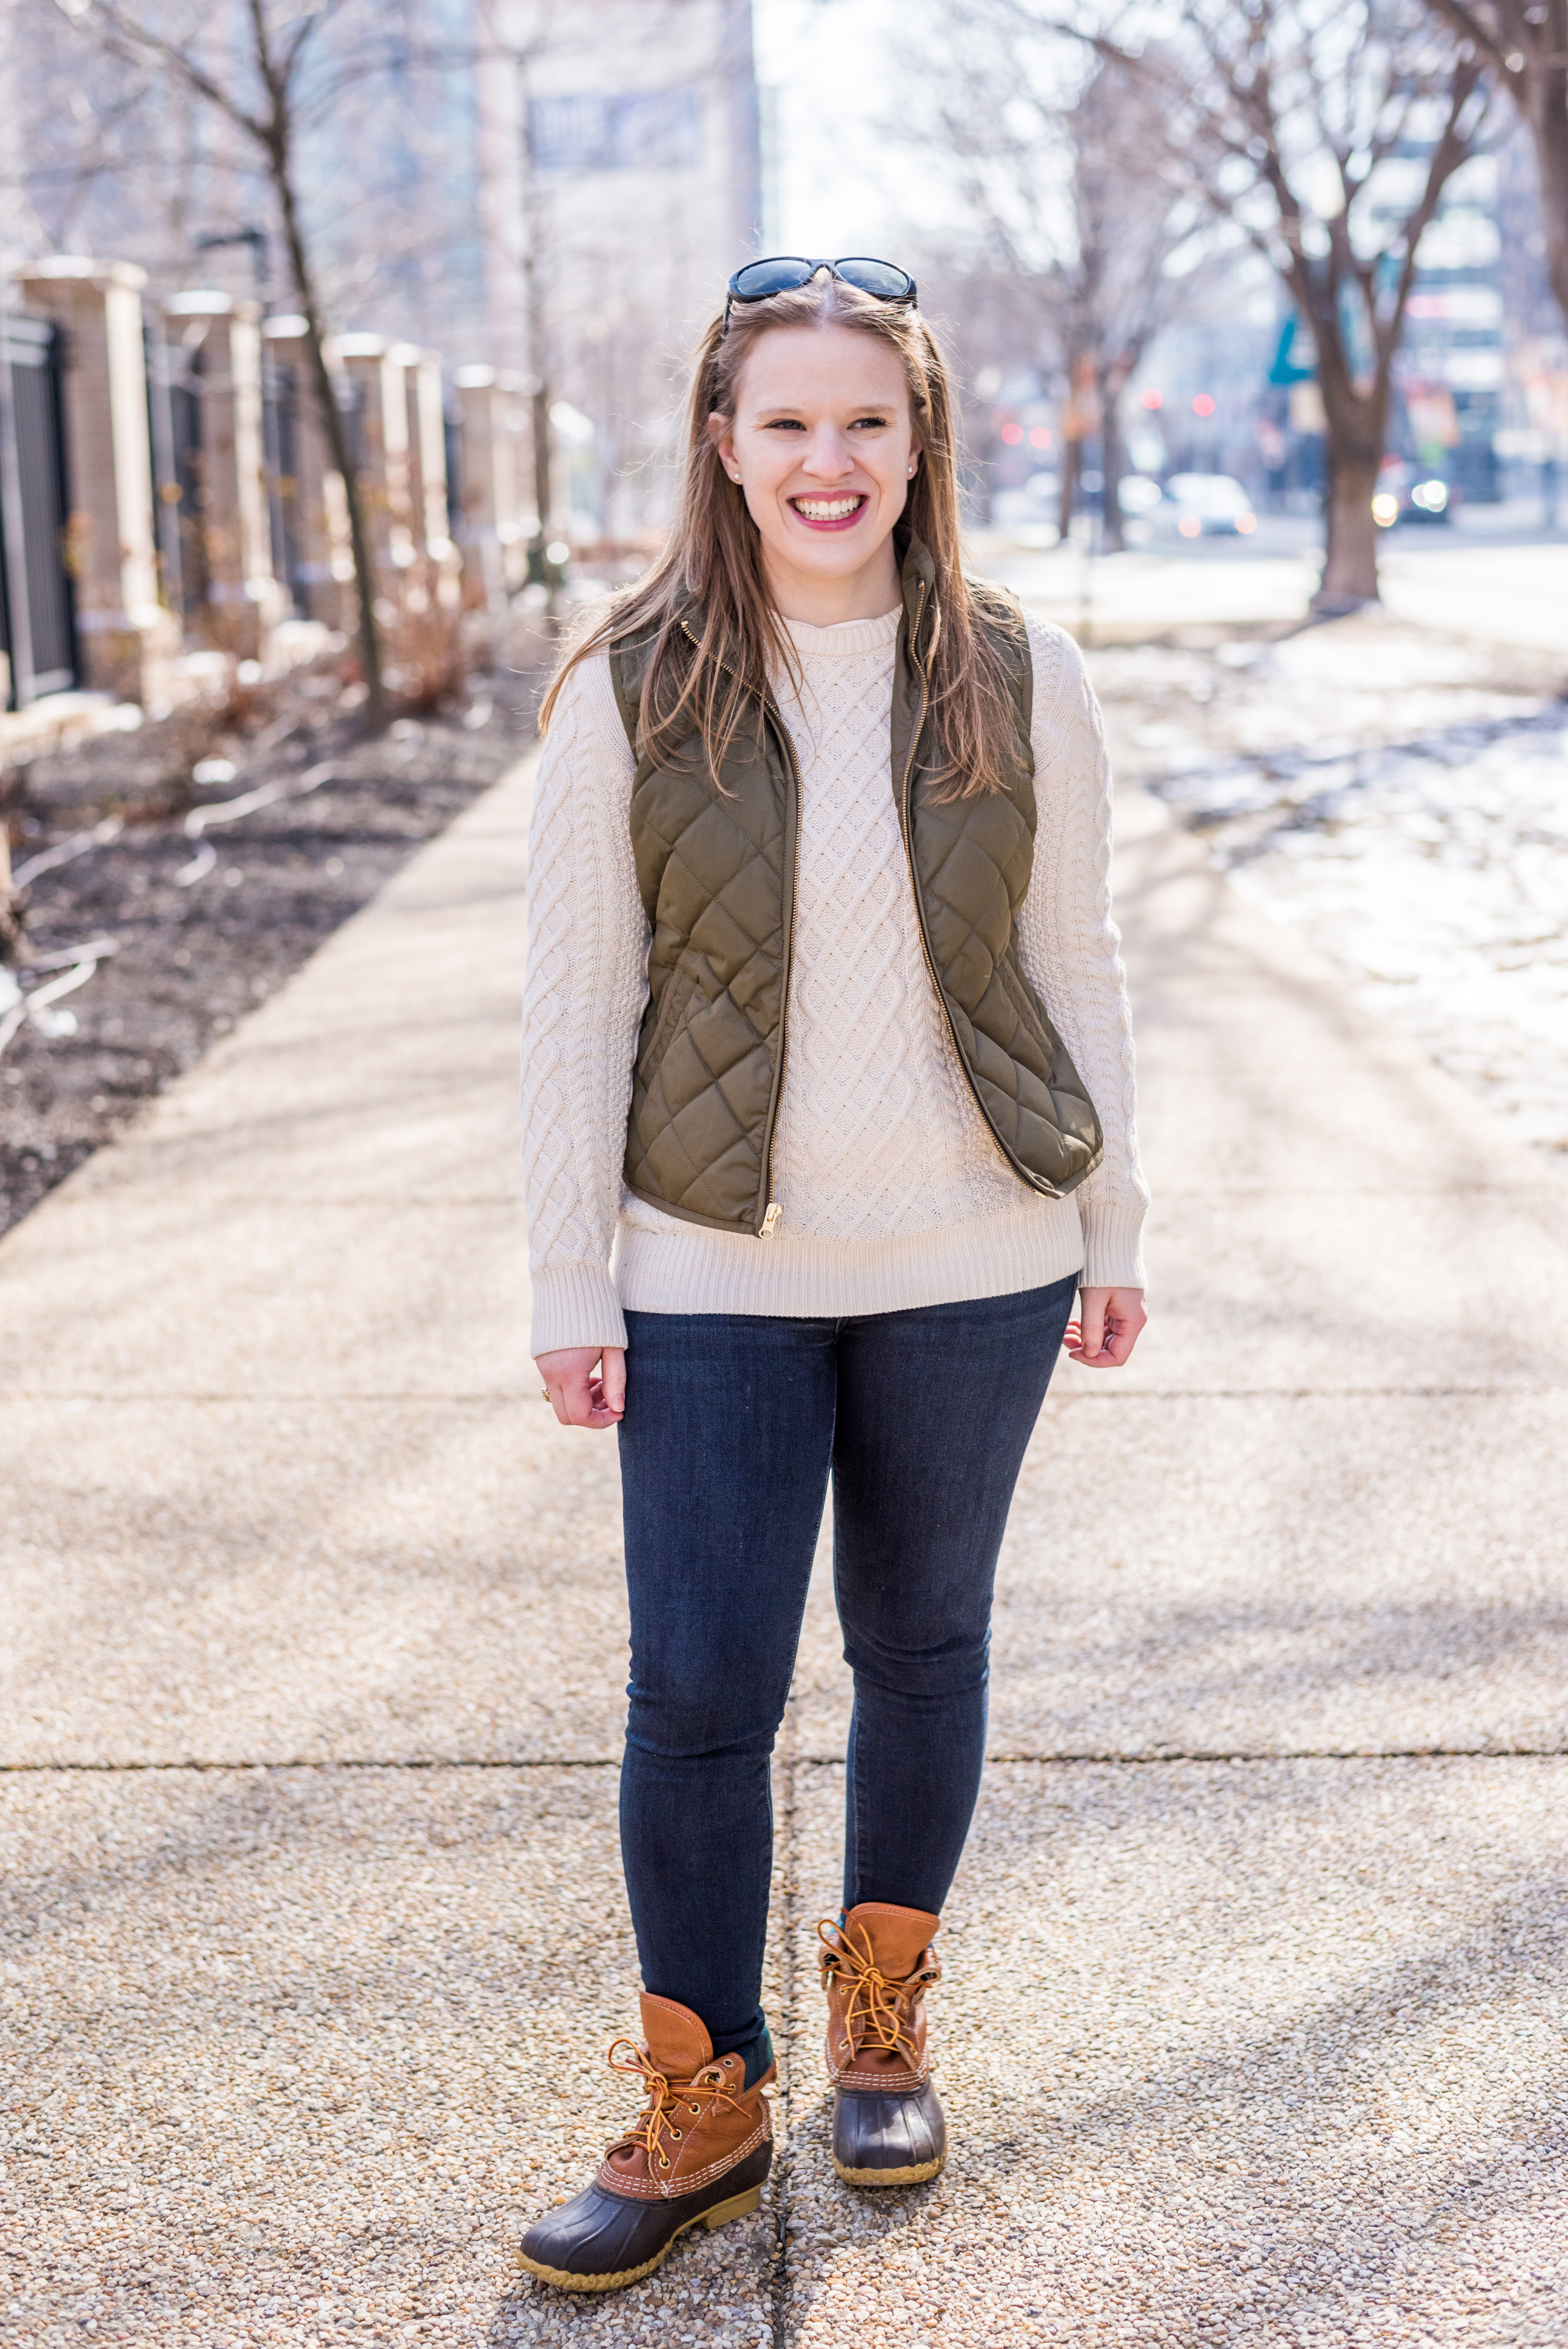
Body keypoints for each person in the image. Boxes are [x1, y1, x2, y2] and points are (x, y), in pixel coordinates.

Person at [516, 255, 1148, 2294]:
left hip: (977, 1252)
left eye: (864, 420)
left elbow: (1077, 969)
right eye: (784, 422)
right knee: (697, 1691)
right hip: (711, 1266)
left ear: (919, 441)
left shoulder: (1021, 673)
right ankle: (707, 2100)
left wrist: (1111, 1226)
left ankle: (884, 2022)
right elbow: (571, 1010)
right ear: (724, 446)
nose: (826, 459)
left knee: (924, 1643)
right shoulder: (633, 686)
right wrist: (571, 1283)